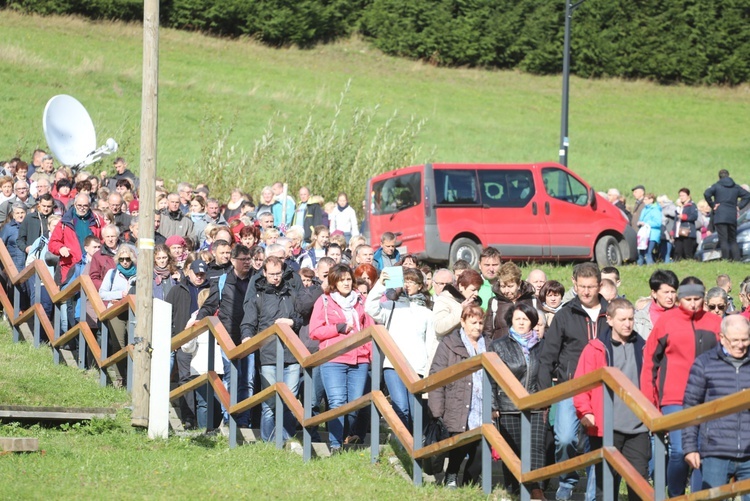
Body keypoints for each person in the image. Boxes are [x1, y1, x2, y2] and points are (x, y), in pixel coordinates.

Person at [640, 277, 722, 497]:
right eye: (688, 299)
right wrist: (650, 403)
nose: (693, 304)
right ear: (679, 298)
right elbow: (650, 363)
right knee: (679, 450)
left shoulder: (714, 323)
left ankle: (697, 495)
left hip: (708, 398)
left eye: (698, 299)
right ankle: (675, 494)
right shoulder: (667, 321)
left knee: (701, 452)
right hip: (673, 397)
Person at [538, 262, 609, 501]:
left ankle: (593, 494)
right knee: (566, 438)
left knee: (597, 443)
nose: (587, 292)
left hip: (602, 388)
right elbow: (548, 356)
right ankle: (567, 480)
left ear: (599, 285)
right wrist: (545, 393)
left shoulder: (610, 313)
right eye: (582, 287)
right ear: (574, 284)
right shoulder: (565, 315)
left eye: (591, 287)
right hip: (570, 386)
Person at [574, 298, 649, 501]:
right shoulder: (595, 348)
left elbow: (653, 384)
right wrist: (585, 411)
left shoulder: (644, 347)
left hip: (639, 427)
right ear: (609, 319)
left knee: (640, 482)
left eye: (631, 319)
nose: (627, 323)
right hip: (605, 426)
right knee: (605, 485)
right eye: (622, 319)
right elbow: (581, 383)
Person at [683, 315, 750, 497]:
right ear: (722, 337)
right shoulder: (705, 363)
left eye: (745, 339)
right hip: (715, 450)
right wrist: (690, 447)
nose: (741, 345)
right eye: (735, 340)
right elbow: (691, 406)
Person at [309, 264, 373, 453]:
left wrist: (368, 354)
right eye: (341, 279)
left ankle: (345, 438)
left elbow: (369, 329)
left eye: (348, 279)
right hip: (334, 358)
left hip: (359, 359)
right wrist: (337, 328)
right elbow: (314, 331)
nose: (346, 283)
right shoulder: (324, 301)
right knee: (337, 402)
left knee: (354, 405)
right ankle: (336, 445)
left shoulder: (360, 300)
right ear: (334, 282)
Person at [240, 255, 302, 442]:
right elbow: (248, 322)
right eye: (272, 274)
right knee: (270, 402)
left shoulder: (291, 294)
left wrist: (292, 322)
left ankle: (287, 439)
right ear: (264, 273)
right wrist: (247, 337)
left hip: (291, 353)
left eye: (279, 273)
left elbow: (302, 318)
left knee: (290, 399)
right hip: (267, 354)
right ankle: (269, 441)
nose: (276, 277)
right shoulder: (257, 296)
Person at [489, 303, 547, 500]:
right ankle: (514, 491)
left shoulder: (541, 345)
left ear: (532, 322)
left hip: (536, 405)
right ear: (511, 321)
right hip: (509, 406)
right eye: (518, 319)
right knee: (513, 452)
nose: (522, 323)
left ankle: (536, 490)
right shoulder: (498, 345)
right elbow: (491, 378)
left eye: (526, 319)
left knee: (536, 448)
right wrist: (493, 405)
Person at [365, 267, 435, 429]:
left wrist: (428, 371)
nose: (408, 285)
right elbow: (370, 308)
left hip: (417, 367)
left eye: (412, 281)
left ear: (420, 286)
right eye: (405, 281)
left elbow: (430, 344)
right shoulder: (391, 306)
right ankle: (402, 445)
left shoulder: (427, 312)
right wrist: (381, 284)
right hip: (393, 365)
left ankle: (415, 447)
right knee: (401, 407)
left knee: (415, 411)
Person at [428, 305, 486, 489]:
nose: (477, 327)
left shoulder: (490, 345)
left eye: (480, 322)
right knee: (459, 446)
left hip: (482, 405)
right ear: (462, 322)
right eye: (473, 322)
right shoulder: (449, 344)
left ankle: (470, 485)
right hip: (457, 402)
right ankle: (451, 474)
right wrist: (437, 410)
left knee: (480, 450)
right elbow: (436, 376)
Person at [195, 245, 254, 427]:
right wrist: (197, 320)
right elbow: (209, 305)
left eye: (248, 259)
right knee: (230, 379)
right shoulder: (222, 281)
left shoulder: (256, 280)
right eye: (242, 259)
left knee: (248, 381)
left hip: (250, 337)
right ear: (234, 261)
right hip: (227, 337)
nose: (246, 262)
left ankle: (243, 421)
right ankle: (229, 418)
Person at [181, 288, 224, 430]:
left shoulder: (222, 319)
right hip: (200, 368)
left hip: (219, 366)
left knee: (218, 402)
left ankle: (214, 429)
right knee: (204, 402)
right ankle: (203, 430)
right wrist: (192, 334)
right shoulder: (194, 320)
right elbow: (186, 347)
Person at [98, 246, 138, 387]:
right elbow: (102, 293)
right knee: (119, 344)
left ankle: (133, 377)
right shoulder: (112, 273)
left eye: (128, 259)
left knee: (133, 344)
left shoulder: (139, 273)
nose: (125, 262)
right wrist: (120, 295)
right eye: (122, 259)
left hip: (134, 312)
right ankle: (120, 377)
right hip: (115, 312)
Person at [704, 169, 750, 261]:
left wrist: (713, 205)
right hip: (732, 215)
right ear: (728, 175)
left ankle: (726, 259)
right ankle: (736, 259)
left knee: (723, 239)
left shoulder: (716, 186)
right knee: (733, 239)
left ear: (719, 177)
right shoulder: (735, 187)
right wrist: (739, 206)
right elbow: (747, 195)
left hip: (720, 215)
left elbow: (706, 193)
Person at [484, 261, 536, 340]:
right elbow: (487, 333)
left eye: (510, 286)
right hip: (501, 349)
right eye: (503, 286)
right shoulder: (494, 302)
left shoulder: (532, 301)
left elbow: (543, 328)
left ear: (519, 284)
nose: (506, 291)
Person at [633, 269, 679, 340]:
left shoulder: (685, 316)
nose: (670, 296)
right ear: (654, 293)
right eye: (666, 292)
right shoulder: (638, 319)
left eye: (673, 292)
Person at [673, 188, 699, 260]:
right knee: (677, 251)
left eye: (683, 195)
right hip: (678, 232)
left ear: (688, 196)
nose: (681, 197)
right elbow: (676, 219)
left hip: (688, 232)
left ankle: (689, 264)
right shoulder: (679, 207)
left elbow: (694, 216)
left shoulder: (692, 205)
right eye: (680, 196)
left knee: (688, 252)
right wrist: (673, 230)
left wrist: (685, 217)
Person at [637, 193, 662, 265]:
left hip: (652, 234)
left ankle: (651, 267)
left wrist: (646, 223)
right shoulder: (644, 209)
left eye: (646, 199)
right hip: (643, 234)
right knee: (641, 252)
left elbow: (658, 223)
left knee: (648, 252)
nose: (644, 201)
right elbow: (641, 219)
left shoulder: (656, 210)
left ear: (651, 200)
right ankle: (640, 266)